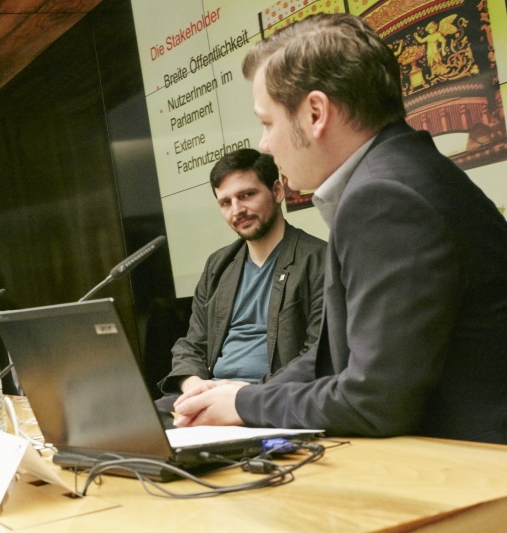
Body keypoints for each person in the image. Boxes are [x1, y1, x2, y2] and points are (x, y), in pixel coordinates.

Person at [174, 13, 507, 445]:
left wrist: (244, 406)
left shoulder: (385, 198)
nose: (263, 144)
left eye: (268, 122)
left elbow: (375, 401)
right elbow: (334, 357)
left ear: (315, 112)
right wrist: (245, 394)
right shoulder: (399, 173)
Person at [157, 149, 325, 404]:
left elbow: (317, 354)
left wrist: (244, 394)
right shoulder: (218, 265)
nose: (237, 210)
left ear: (277, 191)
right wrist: (193, 384)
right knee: (138, 427)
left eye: (247, 195)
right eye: (226, 202)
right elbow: (192, 345)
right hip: (210, 394)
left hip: (271, 399)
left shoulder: (318, 259)